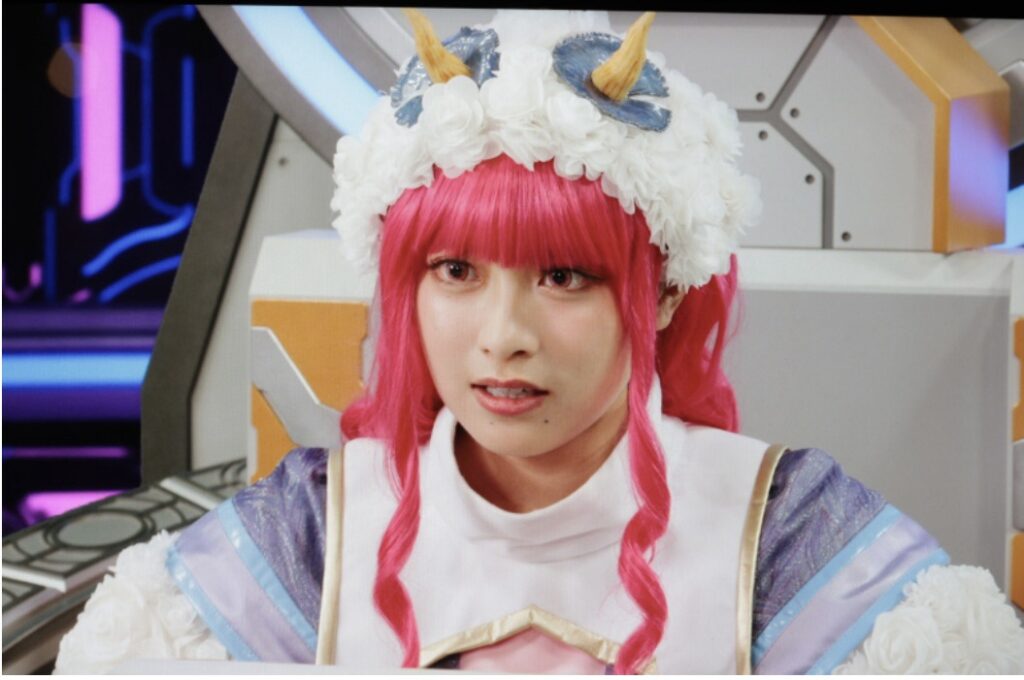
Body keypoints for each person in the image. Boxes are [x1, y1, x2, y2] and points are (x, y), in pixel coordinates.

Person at [56, 9, 1023, 674]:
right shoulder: (311, 538)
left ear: (664, 295)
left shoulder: (784, 541)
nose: (503, 338)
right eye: (455, 272)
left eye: (564, 277)